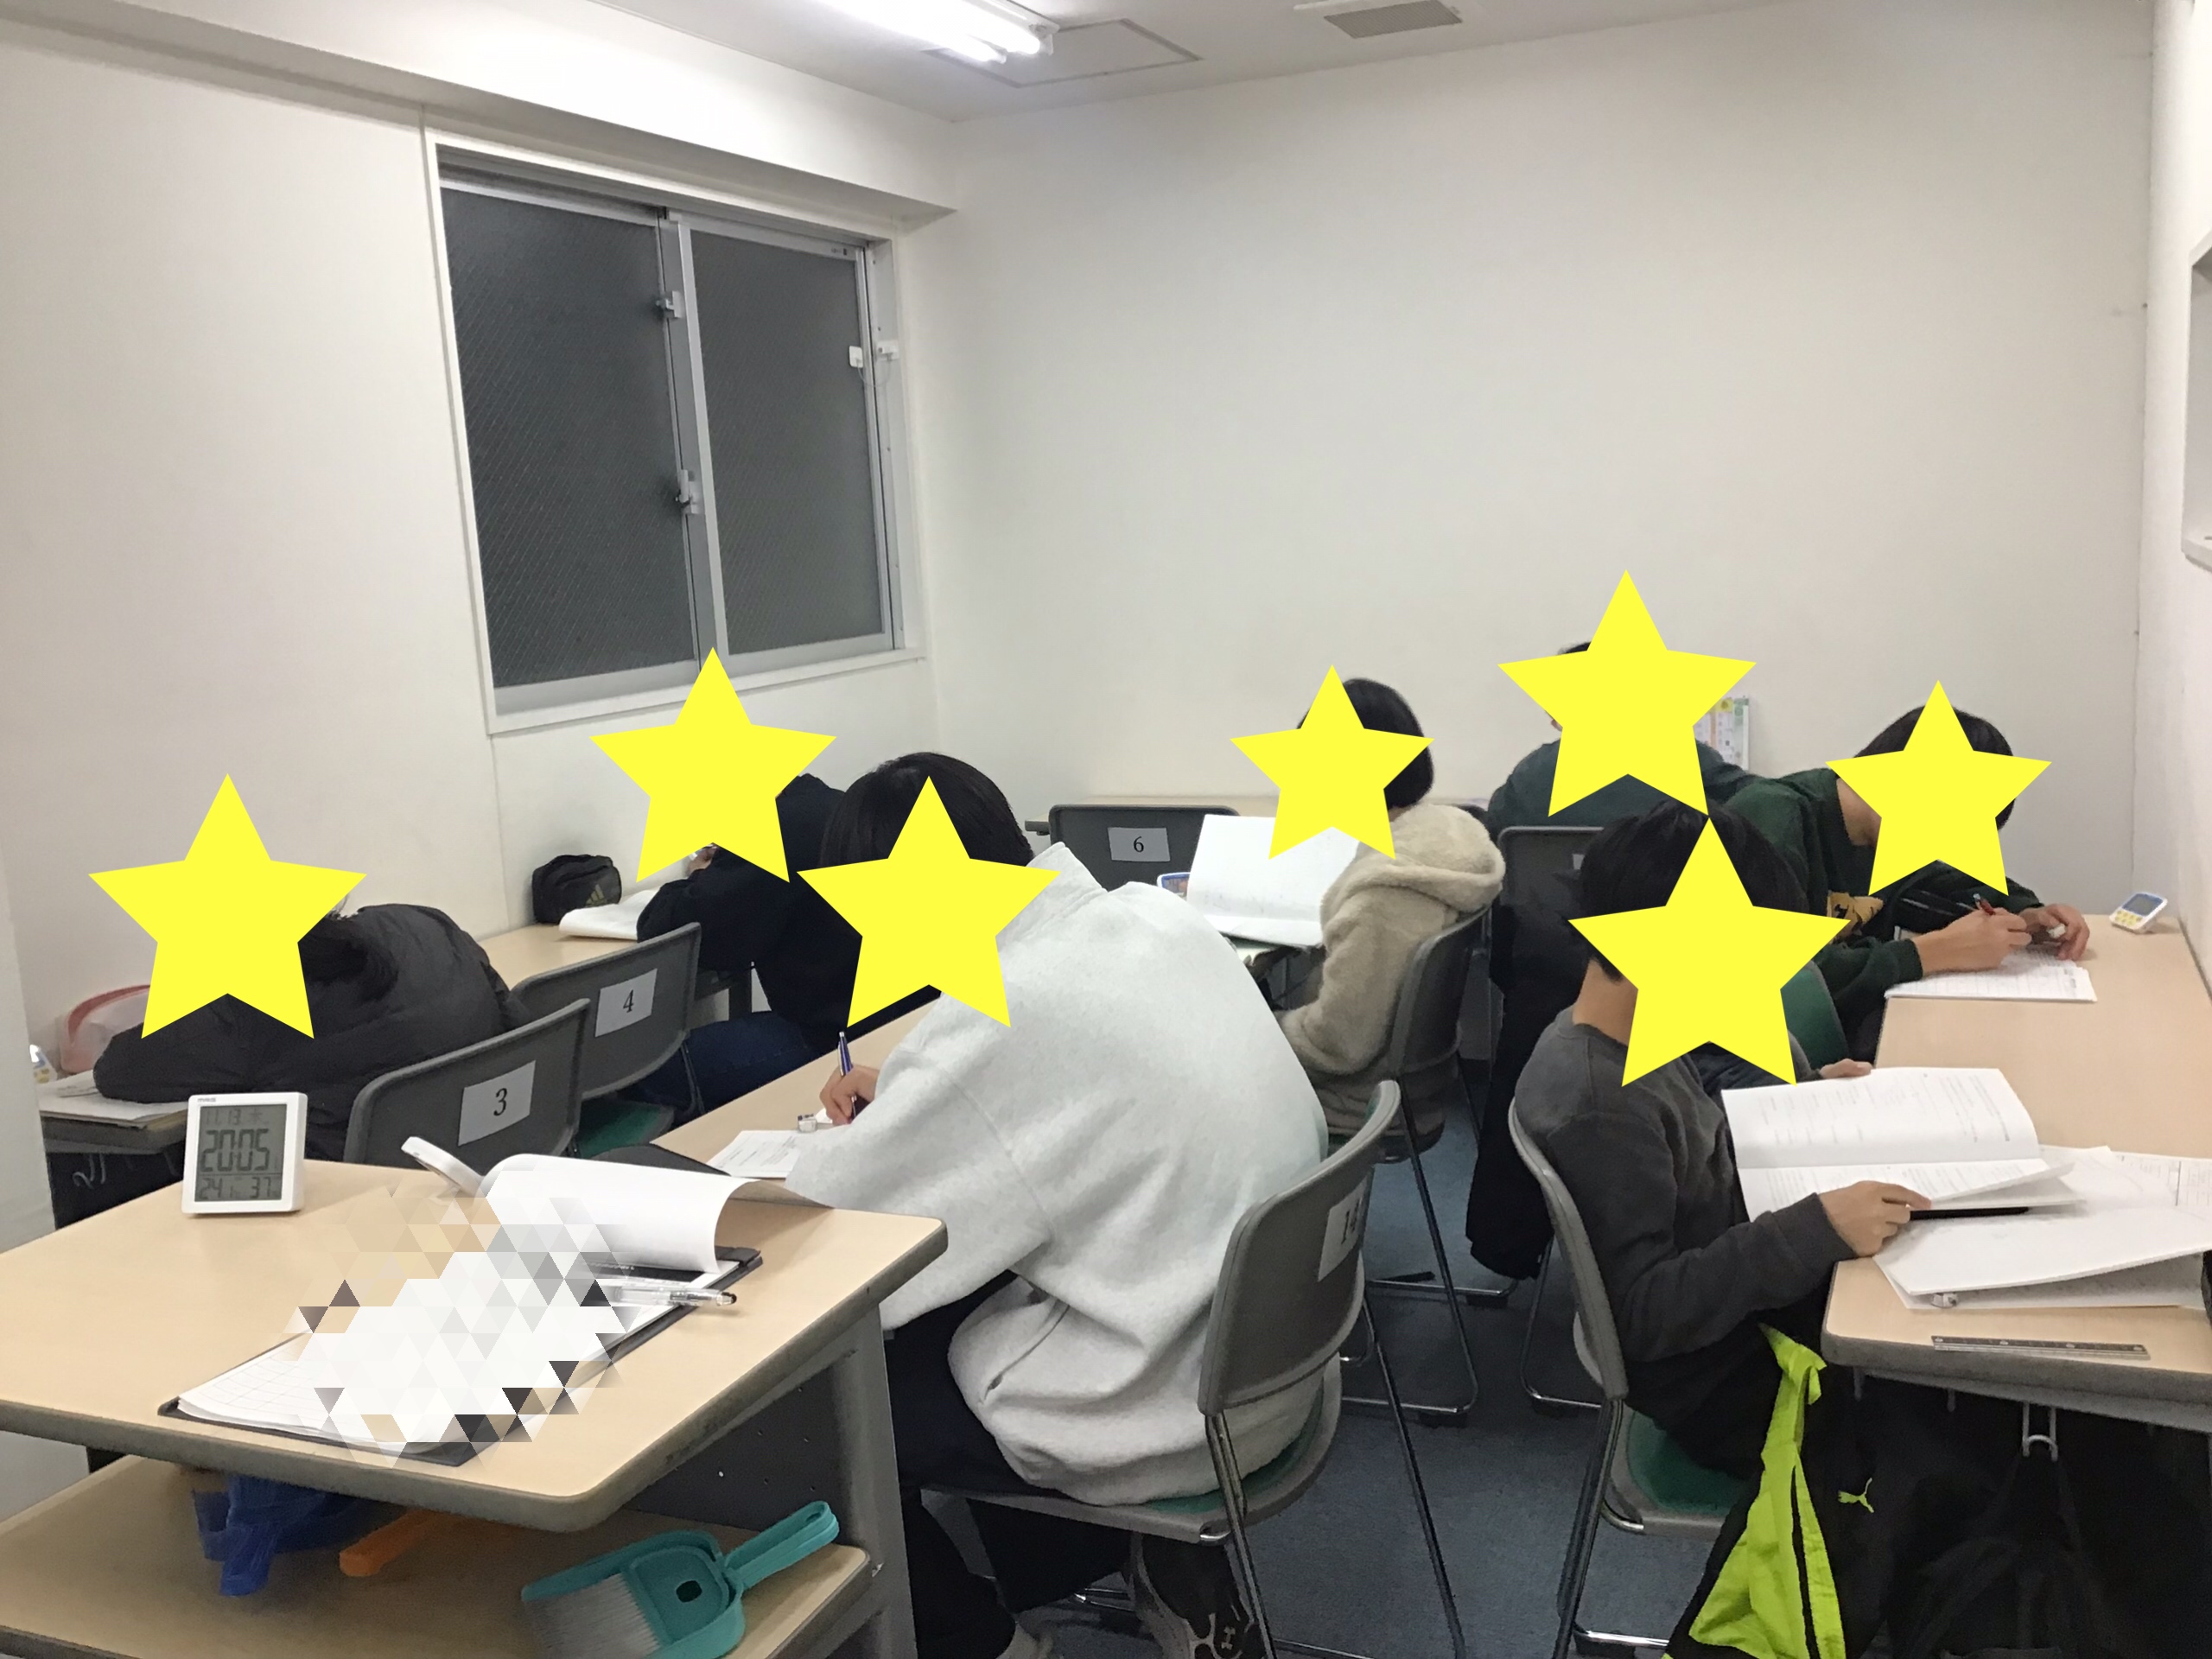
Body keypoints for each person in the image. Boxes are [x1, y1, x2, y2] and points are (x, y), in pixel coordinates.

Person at [1517, 803, 2209, 1657]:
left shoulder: (1640, 1041)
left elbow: (1695, 1163)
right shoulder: (1599, 1100)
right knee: (2005, 1407)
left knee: (2016, 1345)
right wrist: (1812, 1228)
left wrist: (1810, 1102)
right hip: (1727, 1379)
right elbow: (1648, 1314)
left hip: (1758, 1309)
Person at [785, 753, 1326, 1659]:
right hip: (1273, 1355)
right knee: (961, 1294)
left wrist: (910, 1110)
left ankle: (983, 1642)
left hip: (1163, 1406)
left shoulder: (1004, 1016)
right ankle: (1143, 1559)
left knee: (814, 1412)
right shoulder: (1152, 915)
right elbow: (1041, 1100)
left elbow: (841, 1223)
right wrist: (923, 1098)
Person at [1469, 642, 1758, 1281]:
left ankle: (1509, 1237)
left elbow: (1497, 850)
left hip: (1544, 980)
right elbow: (1754, 823)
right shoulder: (1693, 764)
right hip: (1659, 983)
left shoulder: (1531, 775)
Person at [1727, 703, 2089, 1058]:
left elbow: (1950, 886)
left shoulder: (1882, 840)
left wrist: (2027, 915)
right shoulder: (1773, 819)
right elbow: (1783, 979)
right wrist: (1930, 953)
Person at [92, 906, 528, 1165]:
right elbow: (516, 1021)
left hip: (355, 1197)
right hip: (490, 1156)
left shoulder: (254, 1010)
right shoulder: (425, 925)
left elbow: (119, 1071)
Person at [624, 774, 925, 1120]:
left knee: (647, 1068)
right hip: (893, 1025)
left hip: (829, 1040)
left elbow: (668, 925)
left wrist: (700, 874)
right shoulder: (832, 803)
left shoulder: (774, 833)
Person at [1276, 677, 1503, 1136]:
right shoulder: (1446, 838)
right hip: (1413, 1079)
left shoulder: (1383, 898)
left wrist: (1265, 1027)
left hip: (1355, 1096)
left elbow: (1338, 1045)